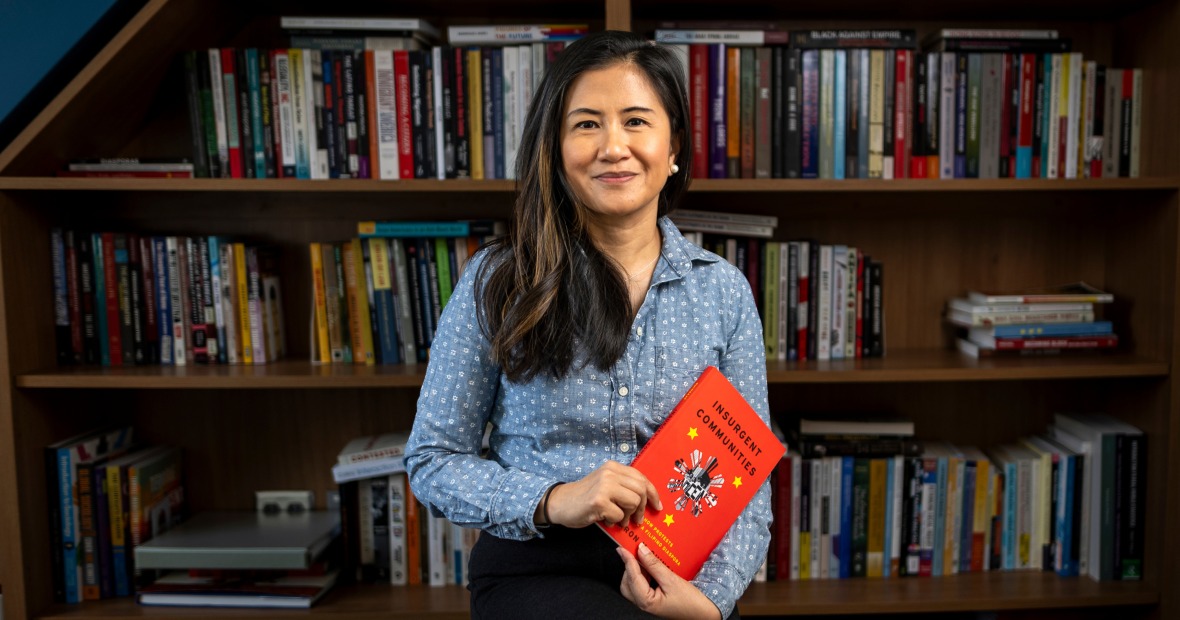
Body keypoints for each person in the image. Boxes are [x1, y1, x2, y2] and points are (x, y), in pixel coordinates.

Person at [405, 30, 771, 620]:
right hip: (538, 567)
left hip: (680, 574)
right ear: (554, 147)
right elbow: (432, 458)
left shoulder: (723, 291)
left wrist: (711, 601)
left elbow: (748, 477)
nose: (612, 147)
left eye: (635, 121)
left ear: (673, 145)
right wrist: (554, 499)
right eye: (586, 124)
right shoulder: (498, 280)